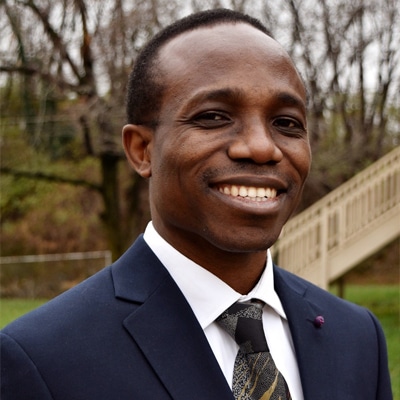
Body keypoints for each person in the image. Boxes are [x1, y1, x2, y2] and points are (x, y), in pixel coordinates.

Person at [1, 9, 392, 400]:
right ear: (142, 150)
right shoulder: (41, 360)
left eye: (286, 123)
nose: (260, 147)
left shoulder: (358, 337)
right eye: (214, 117)